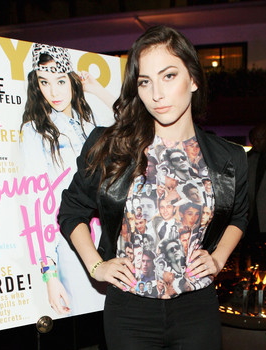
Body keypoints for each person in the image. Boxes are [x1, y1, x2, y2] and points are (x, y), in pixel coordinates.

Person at [58, 25, 248, 350]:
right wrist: (96, 266)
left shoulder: (228, 158)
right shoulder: (111, 146)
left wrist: (217, 259)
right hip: (129, 312)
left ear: (194, 79)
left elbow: (239, 216)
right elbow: (72, 211)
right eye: (145, 81)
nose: (156, 94)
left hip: (196, 308)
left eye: (169, 76)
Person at [20, 43, 116, 315]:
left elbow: (133, 119)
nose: (54, 91)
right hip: (72, 241)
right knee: (85, 327)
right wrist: (49, 273)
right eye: (45, 82)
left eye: (61, 81)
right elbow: (37, 200)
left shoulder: (92, 125)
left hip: (110, 236)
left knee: (121, 325)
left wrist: (96, 88)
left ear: (73, 80)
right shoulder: (35, 131)